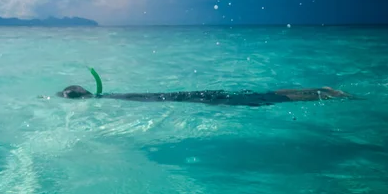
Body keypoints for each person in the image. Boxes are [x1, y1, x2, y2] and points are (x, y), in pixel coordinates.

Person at [56, 84, 354, 107]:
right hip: (186, 95)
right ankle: (322, 91)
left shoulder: (104, 102)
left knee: (257, 99)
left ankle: (324, 95)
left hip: (188, 100)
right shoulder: (109, 96)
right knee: (255, 96)